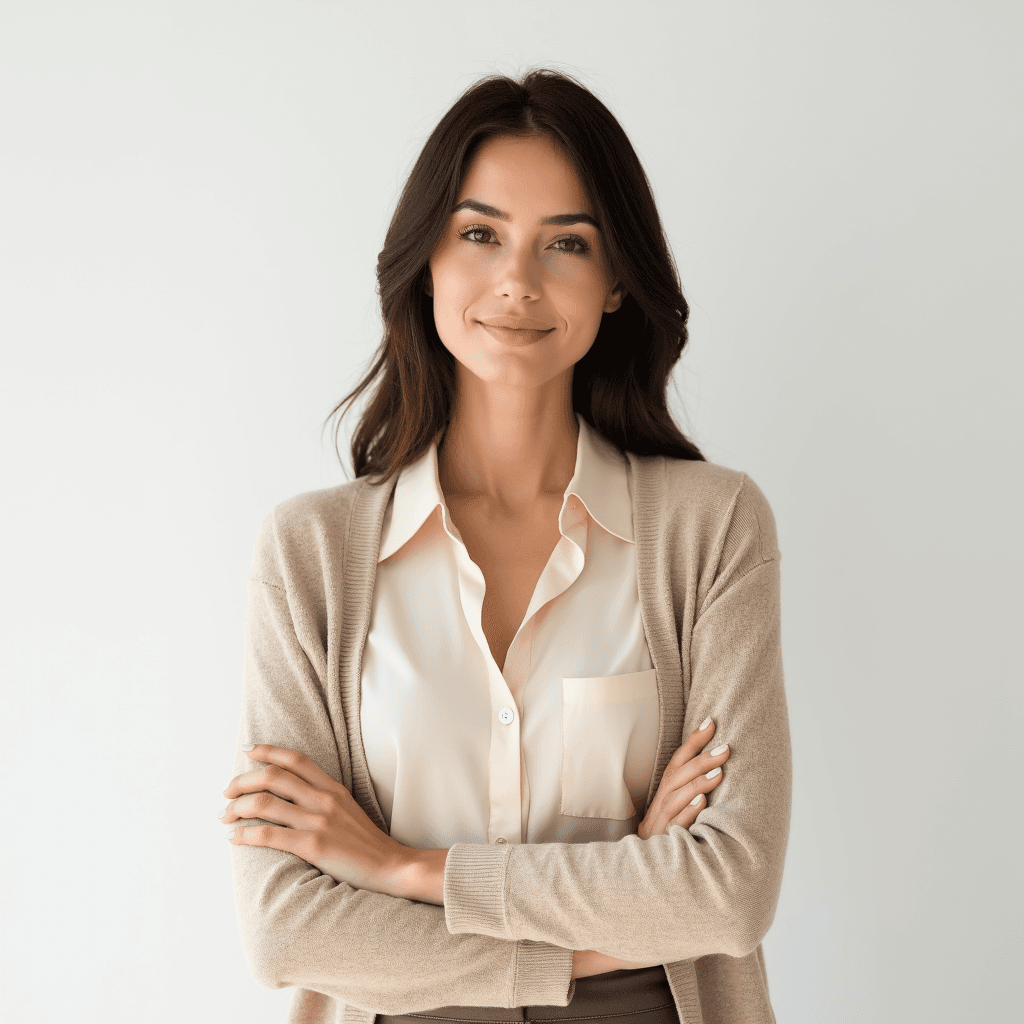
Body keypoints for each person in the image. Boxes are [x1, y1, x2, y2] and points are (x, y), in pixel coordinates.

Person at [220, 69, 792, 1024]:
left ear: (615, 282)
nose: (518, 282)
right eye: (480, 234)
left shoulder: (712, 529)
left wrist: (400, 867)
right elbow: (287, 931)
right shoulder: (310, 555)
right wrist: (621, 897)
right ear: (427, 261)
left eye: (566, 243)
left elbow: (728, 891)